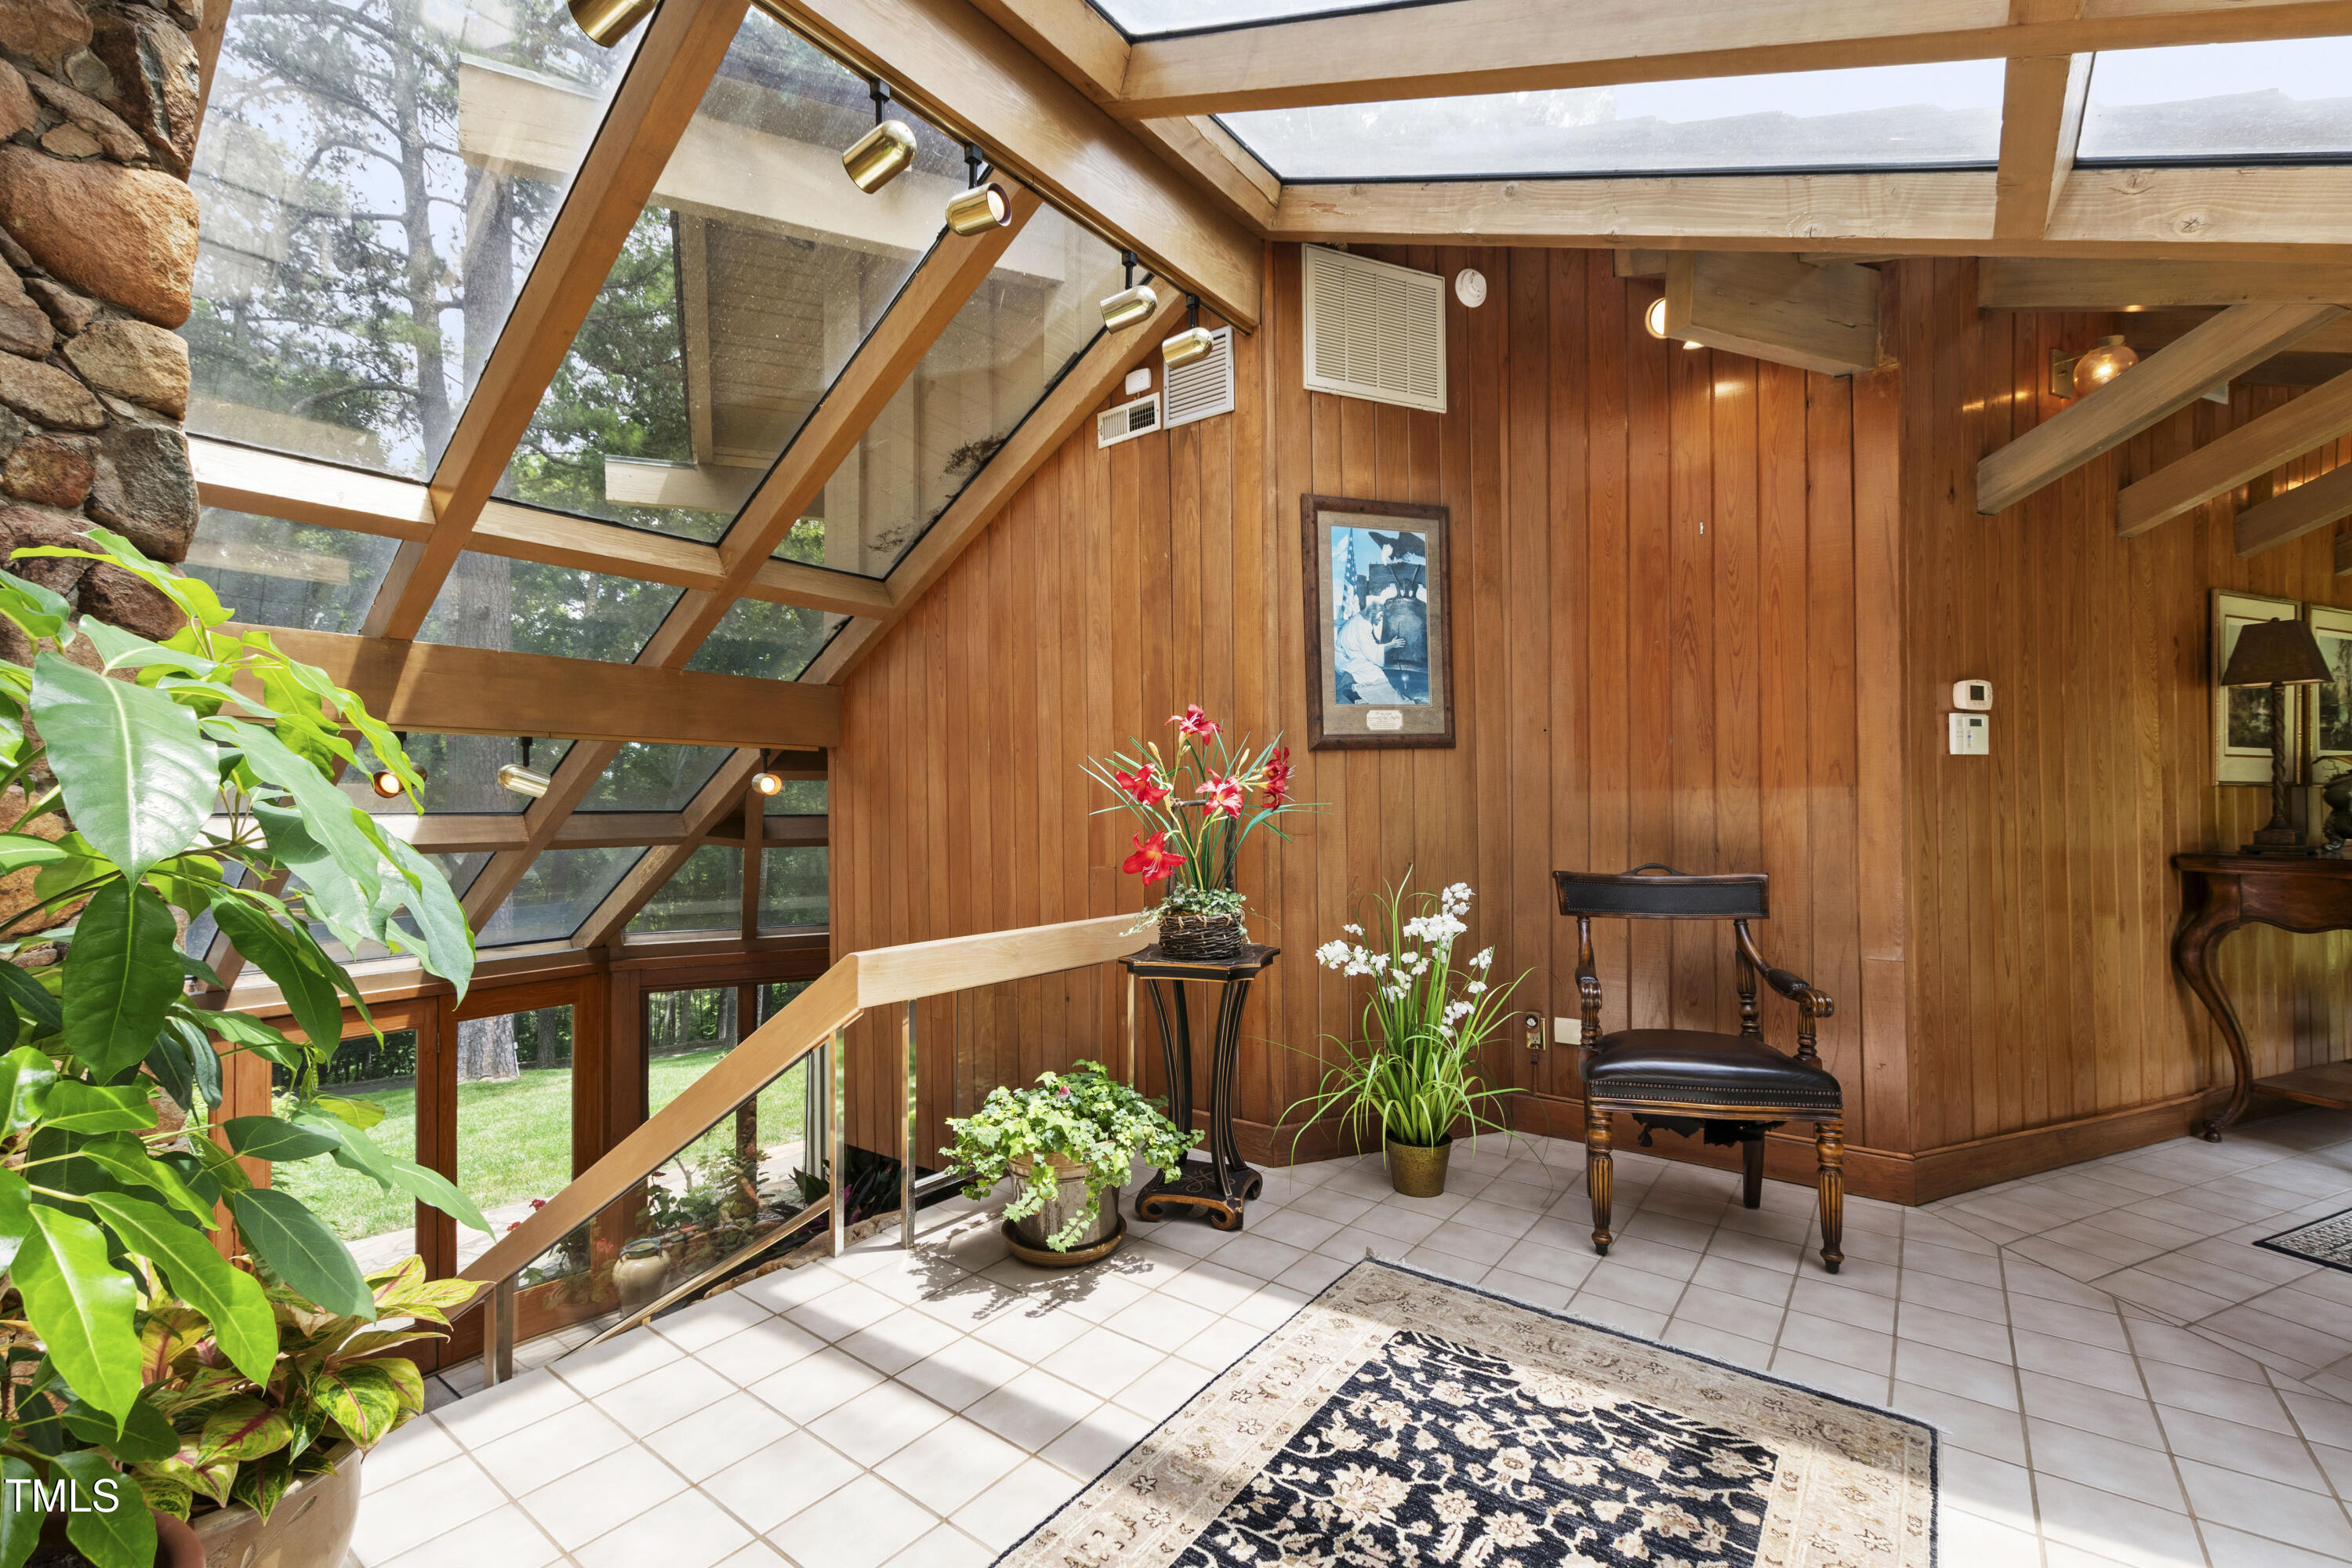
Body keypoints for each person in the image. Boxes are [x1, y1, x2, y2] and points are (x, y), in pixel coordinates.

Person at [1334, 583, 1404, 706]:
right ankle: (1387, 700)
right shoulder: (1362, 625)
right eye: (1380, 616)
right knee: (1376, 673)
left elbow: (1368, 648)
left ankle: (1386, 697)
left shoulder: (1360, 620)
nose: (1380, 619)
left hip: (1349, 655)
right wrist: (1392, 645)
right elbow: (1372, 651)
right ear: (1373, 613)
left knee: (1374, 673)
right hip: (1346, 659)